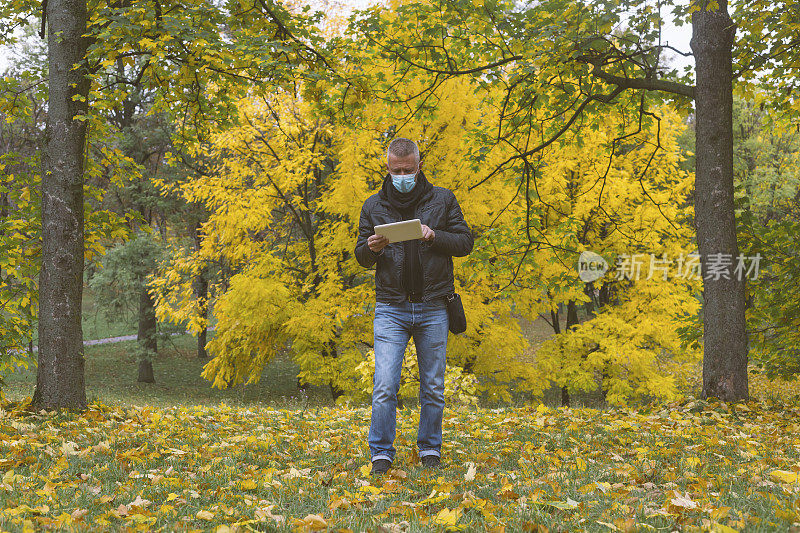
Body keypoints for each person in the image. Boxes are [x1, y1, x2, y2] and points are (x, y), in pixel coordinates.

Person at [353, 138, 474, 475]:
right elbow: (361, 256)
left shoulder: (443, 199)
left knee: (433, 385)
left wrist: (435, 235)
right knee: (385, 384)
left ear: (419, 166)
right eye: (396, 170)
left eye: (408, 169)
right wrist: (373, 247)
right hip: (391, 307)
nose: (402, 175)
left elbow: (465, 242)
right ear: (388, 168)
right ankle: (380, 454)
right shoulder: (373, 205)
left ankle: (430, 449)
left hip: (434, 306)